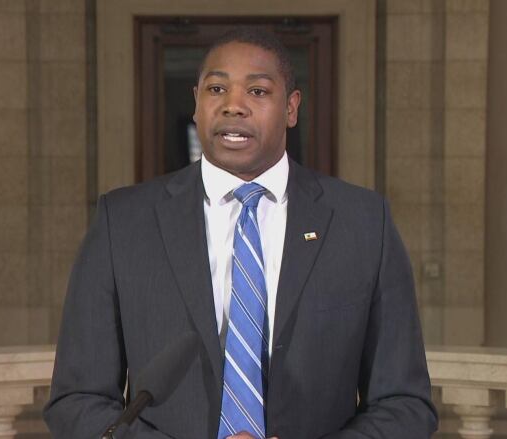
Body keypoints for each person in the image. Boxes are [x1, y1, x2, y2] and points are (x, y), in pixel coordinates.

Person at [44, 28, 437, 439]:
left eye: (258, 92)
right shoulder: (122, 222)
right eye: (216, 88)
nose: (233, 106)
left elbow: (405, 405)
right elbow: (77, 401)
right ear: (196, 103)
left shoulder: (363, 222)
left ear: (291, 108)